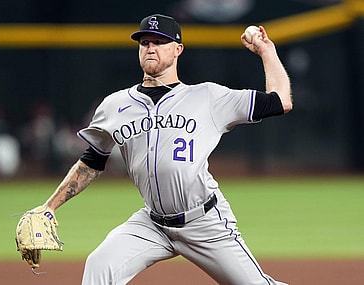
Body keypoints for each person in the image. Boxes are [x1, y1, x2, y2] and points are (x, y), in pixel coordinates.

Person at [41, 14, 292, 284]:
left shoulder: (207, 97)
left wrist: (267, 51)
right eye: (145, 42)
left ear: (177, 49)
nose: (151, 48)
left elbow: (280, 101)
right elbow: (91, 162)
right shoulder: (114, 105)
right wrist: (50, 206)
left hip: (204, 221)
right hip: (152, 223)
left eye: (160, 42)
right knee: (99, 265)